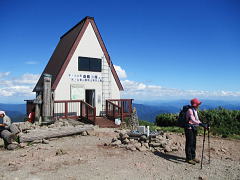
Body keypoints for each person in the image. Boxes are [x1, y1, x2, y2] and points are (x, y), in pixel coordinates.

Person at [185, 98, 209, 165]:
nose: (199, 105)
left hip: (193, 128)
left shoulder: (194, 110)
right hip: (188, 128)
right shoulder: (190, 110)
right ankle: (188, 158)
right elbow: (192, 120)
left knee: (193, 142)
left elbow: (197, 119)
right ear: (195, 104)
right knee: (189, 143)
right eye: (198, 104)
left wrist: (203, 124)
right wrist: (201, 124)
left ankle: (193, 157)